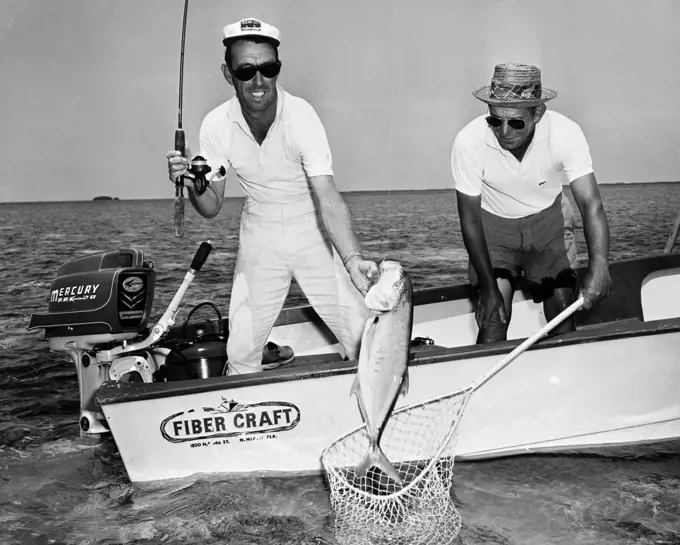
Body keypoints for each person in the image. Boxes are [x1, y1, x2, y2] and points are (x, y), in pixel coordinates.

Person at [166, 18, 377, 373]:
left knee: (361, 337)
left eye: (269, 68)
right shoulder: (216, 125)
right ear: (227, 72)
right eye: (246, 70)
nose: (259, 81)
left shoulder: (302, 117)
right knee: (242, 353)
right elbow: (211, 206)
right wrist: (191, 183)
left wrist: (353, 259)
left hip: (311, 225)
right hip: (259, 231)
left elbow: (327, 197)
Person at [450, 62, 612, 344]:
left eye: (515, 122)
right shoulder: (468, 141)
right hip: (493, 230)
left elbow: (590, 204)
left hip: (548, 225)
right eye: (494, 120)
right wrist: (488, 290)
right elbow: (469, 220)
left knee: (562, 309)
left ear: (538, 113)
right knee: (493, 317)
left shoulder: (565, 133)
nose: (503, 131)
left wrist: (600, 267)